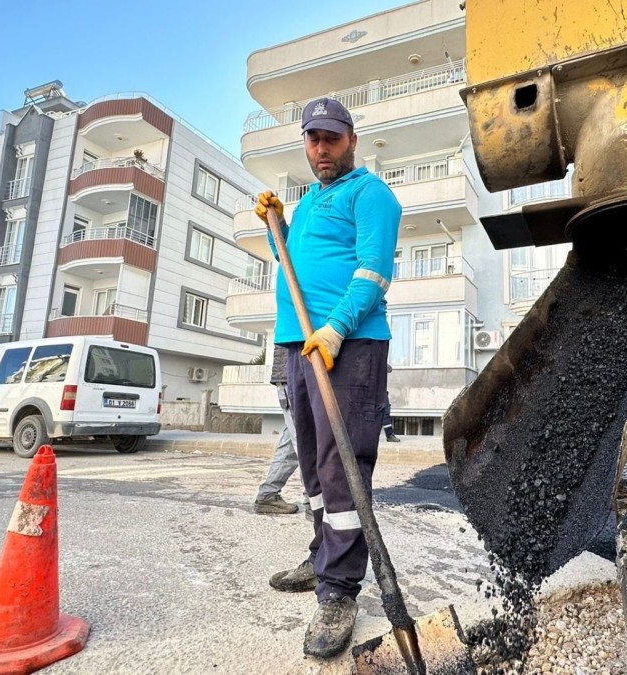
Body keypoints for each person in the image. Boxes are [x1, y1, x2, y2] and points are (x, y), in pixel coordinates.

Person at [255, 96, 401, 659]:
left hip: (349, 346)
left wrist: (337, 328)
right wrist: (278, 227)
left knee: (342, 467)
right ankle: (322, 559)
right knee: (315, 465)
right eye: (313, 138)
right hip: (299, 345)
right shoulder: (311, 201)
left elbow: (374, 271)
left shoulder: (370, 194)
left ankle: (339, 590)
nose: (321, 148)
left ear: (351, 140)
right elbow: (296, 266)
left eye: (332, 138)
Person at [253, 345, 310, 517]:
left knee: (293, 441)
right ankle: (314, 503)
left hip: (295, 376)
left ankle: (267, 495)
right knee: (307, 441)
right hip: (296, 377)